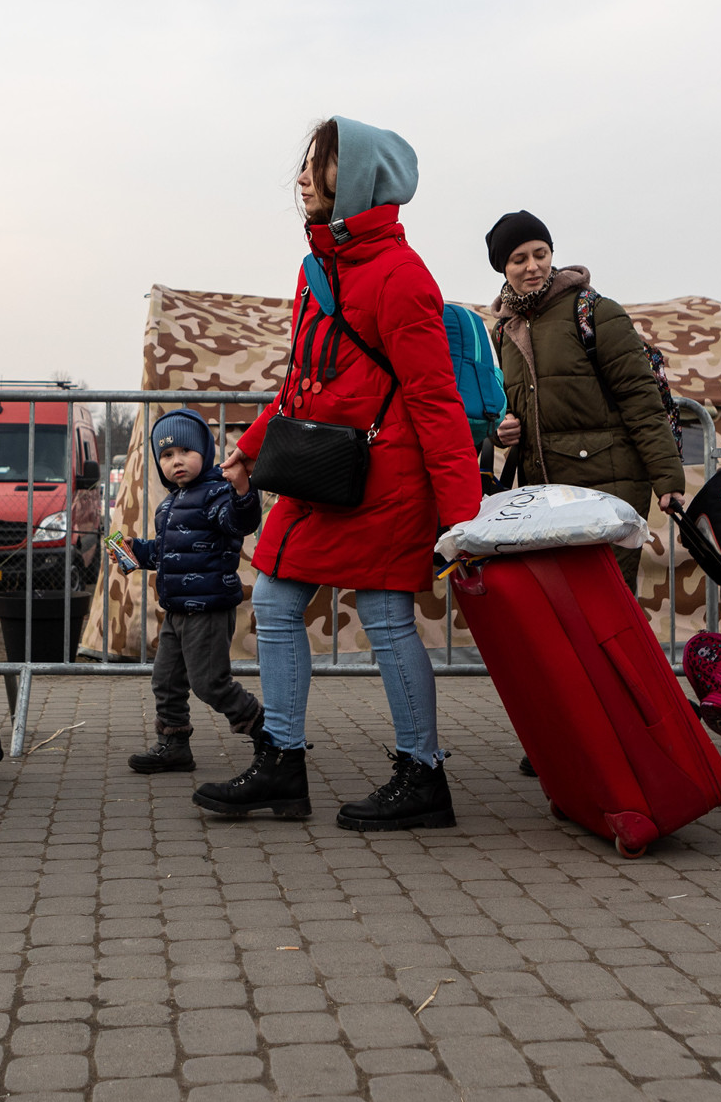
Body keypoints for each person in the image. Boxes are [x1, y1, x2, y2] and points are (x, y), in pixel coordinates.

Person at [199, 117, 481, 830]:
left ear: (350, 178)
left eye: (316, 163)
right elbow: (302, 382)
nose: (300, 176)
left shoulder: (401, 276)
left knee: (386, 619)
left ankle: (424, 776)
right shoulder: (316, 268)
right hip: (320, 469)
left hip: (386, 477)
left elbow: (434, 395)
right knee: (273, 600)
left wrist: (460, 508)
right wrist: (252, 448)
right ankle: (282, 765)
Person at [486, 210, 688, 592]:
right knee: (569, 608)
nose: (533, 266)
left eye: (541, 253)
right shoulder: (504, 331)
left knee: (607, 602)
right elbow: (513, 405)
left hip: (608, 490)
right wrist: (503, 429)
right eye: (519, 259)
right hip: (547, 496)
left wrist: (668, 480)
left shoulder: (595, 312)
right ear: (503, 267)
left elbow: (641, 400)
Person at [121, 409, 265, 774]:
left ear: (205, 450)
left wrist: (244, 490)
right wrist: (135, 550)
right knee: (166, 680)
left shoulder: (217, 494)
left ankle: (268, 733)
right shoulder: (168, 504)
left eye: (185, 451)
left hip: (208, 607)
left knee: (210, 683)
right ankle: (173, 745)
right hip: (176, 610)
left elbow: (241, 522)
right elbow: (166, 553)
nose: (176, 461)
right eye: (166, 456)